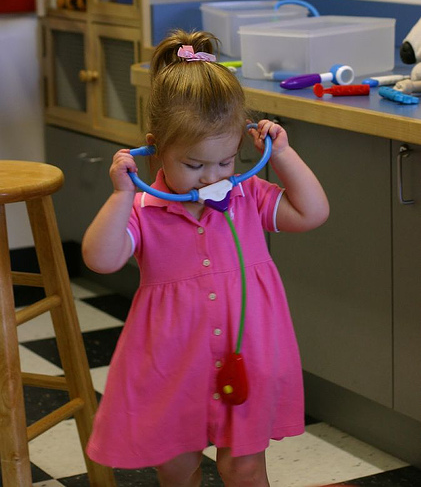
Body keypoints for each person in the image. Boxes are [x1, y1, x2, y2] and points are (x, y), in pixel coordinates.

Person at [82, 29, 329, 487]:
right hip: (172, 363)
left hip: (247, 352)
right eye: (194, 165)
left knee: (245, 467)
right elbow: (100, 259)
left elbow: (312, 212)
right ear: (155, 146)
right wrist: (120, 195)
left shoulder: (247, 195)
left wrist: (286, 155)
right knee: (176, 468)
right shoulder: (143, 209)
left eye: (225, 161)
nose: (210, 178)